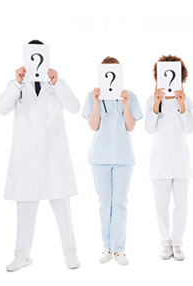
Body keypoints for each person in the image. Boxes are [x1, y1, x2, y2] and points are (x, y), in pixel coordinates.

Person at [0, 40, 80, 272]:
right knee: (25, 207)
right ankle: (22, 255)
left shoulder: (56, 83)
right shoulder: (17, 85)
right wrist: (16, 83)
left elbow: (74, 107)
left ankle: (70, 253)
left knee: (62, 206)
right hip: (26, 158)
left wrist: (58, 83)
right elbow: (0, 108)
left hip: (54, 156)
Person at [82, 56, 142, 266]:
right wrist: (97, 102)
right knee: (104, 203)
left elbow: (131, 126)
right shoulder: (93, 96)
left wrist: (126, 105)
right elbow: (93, 125)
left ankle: (119, 249)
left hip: (123, 157)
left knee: (120, 203)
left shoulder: (130, 96)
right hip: (100, 157)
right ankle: (107, 247)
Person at [145, 55, 193, 261]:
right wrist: (156, 104)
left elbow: (190, 128)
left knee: (181, 204)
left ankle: (177, 242)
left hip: (181, 161)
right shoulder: (151, 100)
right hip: (160, 162)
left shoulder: (186, 100)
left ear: (181, 78)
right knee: (161, 205)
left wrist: (182, 106)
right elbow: (148, 129)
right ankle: (165, 242)